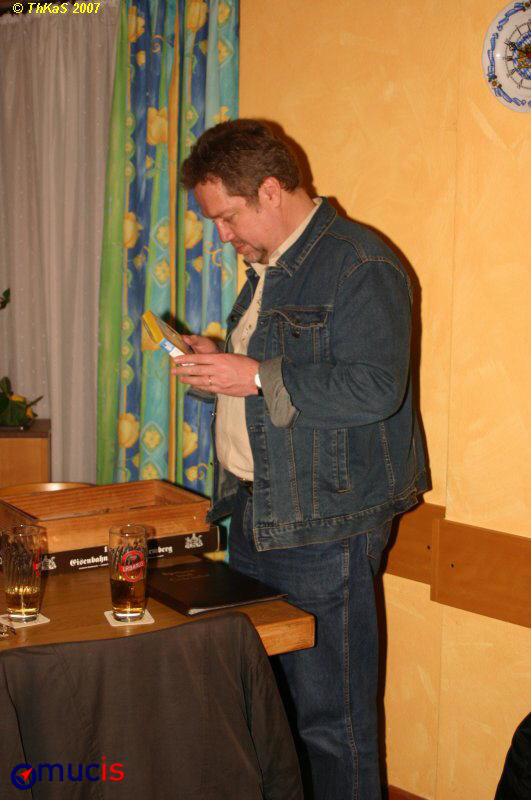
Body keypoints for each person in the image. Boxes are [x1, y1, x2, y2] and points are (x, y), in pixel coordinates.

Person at [172, 119, 427, 800]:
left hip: (324, 526)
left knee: (331, 725)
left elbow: (376, 388)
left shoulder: (359, 264)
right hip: (258, 513)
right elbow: (275, 381)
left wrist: (254, 375)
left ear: (270, 190)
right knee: (270, 712)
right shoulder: (268, 268)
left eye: (227, 216)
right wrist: (220, 366)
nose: (222, 235)